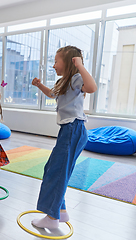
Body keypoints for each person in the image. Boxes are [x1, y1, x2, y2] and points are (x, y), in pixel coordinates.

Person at [31, 46, 97, 229]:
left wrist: (81, 66)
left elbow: (92, 87)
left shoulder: (76, 78)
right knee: (54, 170)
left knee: (56, 172)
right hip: (69, 131)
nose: (53, 65)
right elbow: (52, 94)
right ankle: (61, 211)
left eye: (56, 61)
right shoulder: (64, 81)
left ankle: (52, 218)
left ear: (69, 63)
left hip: (73, 130)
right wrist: (39, 85)